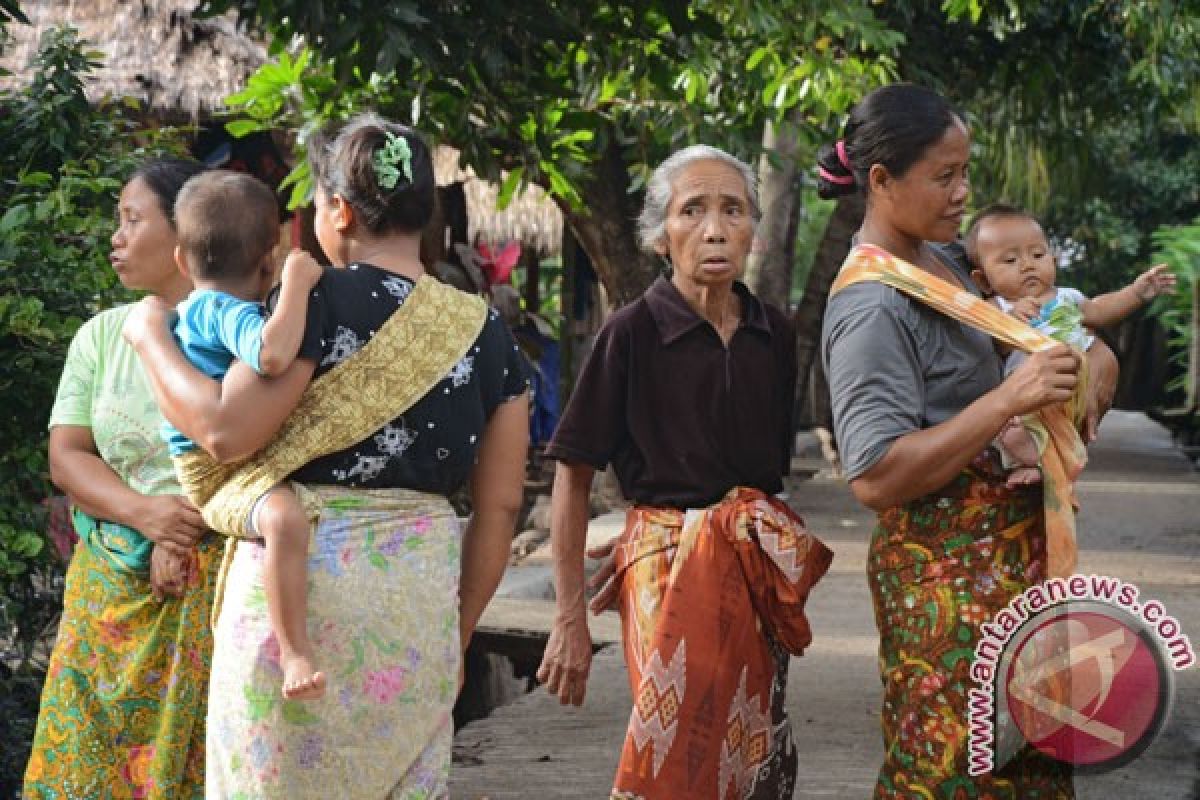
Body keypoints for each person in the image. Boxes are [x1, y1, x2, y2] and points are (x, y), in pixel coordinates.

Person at [123, 113, 530, 799]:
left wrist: (150, 339)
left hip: (297, 608)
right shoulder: (486, 331)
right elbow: (501, 505)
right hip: (417, 605)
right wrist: (454, 637)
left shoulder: (303, 300)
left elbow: (226, 434)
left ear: (336, 210)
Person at [819, 83, 1119, 798]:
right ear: (883, 182)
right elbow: (875, 477)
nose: (963, 193)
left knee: (1025, 765)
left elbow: (1048, 328)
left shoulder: (948, 265)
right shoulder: (870, 305)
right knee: (955, 767)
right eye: (944, 175)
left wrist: (1093, 359)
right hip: (945, 584)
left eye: (965, 172)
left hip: (1010, 574)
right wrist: (1008, 400)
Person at [536, 144, 834, 799]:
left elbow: (770, 472)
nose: (715, 228)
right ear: (660, 235)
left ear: (754, 230)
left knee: (752, 750)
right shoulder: (630, 333)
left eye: (733, 210)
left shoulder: (773, 334)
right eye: (692, 210)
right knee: (679, 752)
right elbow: (573, 476)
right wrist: (569, 619)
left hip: (753, 560)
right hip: (664, 565)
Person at [24, 158, 218, 799]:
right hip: (105, 594)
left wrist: (180, 533)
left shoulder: (242, 336)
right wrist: (146, 515)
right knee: (80, 766)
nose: (117, 237)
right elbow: (67, 457)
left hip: (208, 596)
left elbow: (243, 445)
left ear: (185, 233)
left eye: (133, 220)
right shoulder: (101, 337)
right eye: (117, 221)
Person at [165, 169, 328, 699]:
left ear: (181, 261)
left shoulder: (195, 307)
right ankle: (294, 651)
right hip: (214, 472)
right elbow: (273, 352)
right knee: (284, 517)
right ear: (268, 261)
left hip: (218, 460)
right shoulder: (221, 311)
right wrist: (298, 286)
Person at [964, 203, 1175, 486]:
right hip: (1032, 394)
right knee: (1015, 431)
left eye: (1037, 254)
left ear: (1052, 258)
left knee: (1072, 432)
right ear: (983, 280)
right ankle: (1031, 463)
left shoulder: (1068, 297)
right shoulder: (998, 307)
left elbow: (1101, 310)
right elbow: (994, 347)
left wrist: (1136, 293)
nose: (1027, 265)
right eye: (1010, 261)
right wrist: (1011, 323)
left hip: (1077, 390)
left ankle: (1050, 464)